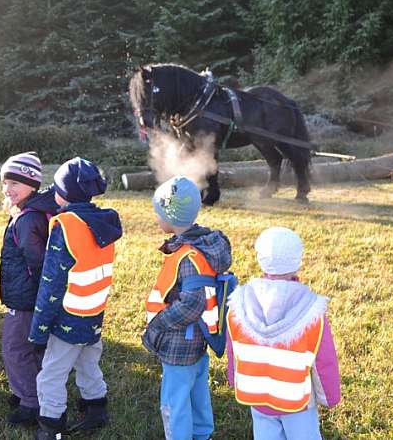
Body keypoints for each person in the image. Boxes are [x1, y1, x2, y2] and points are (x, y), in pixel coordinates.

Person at [30, 158, 122, 439]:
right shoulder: (102, 222)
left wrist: (38, 331)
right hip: (94, 311)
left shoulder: (65, 226)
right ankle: (96, 409)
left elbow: (51, 283)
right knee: (87, 362)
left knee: (51, 374)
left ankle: (51, 426)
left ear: (64, 194)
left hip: (68, 316)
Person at [226, 227, 340, 440]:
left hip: (257, 394)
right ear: (298, 261)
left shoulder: (239, 304)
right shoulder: (311, 310)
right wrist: (329, 396)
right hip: (297, 399)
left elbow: (234, 348)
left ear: (260, 259)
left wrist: (234, 378)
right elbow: (324, 360)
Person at [142, 176, 232, 440]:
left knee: (175, 400)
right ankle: (202, 434)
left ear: (170, 216)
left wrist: (159, 322)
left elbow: (192, 304)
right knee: (196, 391)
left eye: (158, 212)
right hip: (196, 341)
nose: (156, 217)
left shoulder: (188, 257)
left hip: (180, 343)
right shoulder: (199, 247)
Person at [0, 152, 59, 425]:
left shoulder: (28, 219)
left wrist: (37, 299)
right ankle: (27, 390)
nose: (7, 189)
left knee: (15, 348)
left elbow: (36, 262)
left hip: (26, 298)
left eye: (14, 183)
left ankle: (31, 403)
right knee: (32, 348)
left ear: (32, 184)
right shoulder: (38, 210)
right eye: (5, 183)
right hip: (34, 297)